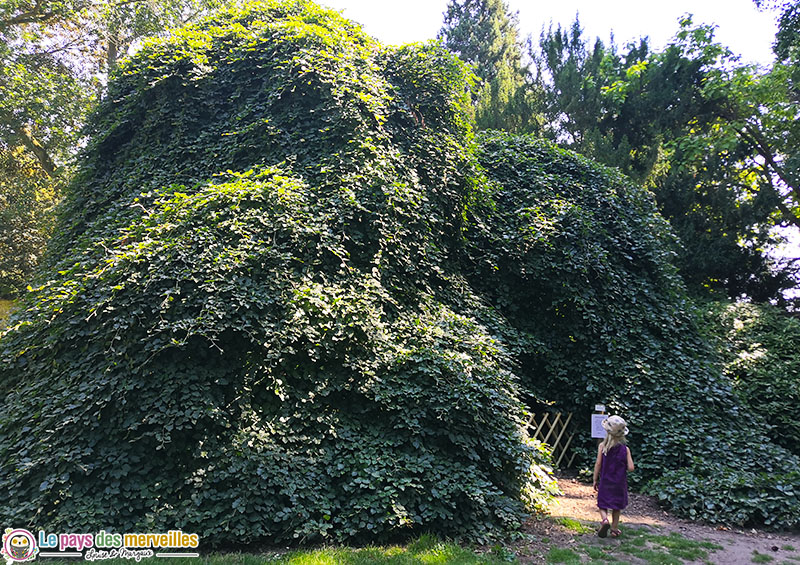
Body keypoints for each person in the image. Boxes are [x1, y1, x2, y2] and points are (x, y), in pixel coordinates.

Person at [592, 415, 635, 538]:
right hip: (619, 483)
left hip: (605, 481)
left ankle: (605, 520)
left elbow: (598, 464)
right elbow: (631, 468)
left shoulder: (602, 447)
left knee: (602, 504)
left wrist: (595, 479)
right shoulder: (625, 449)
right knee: (617, 507)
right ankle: (614, 529)